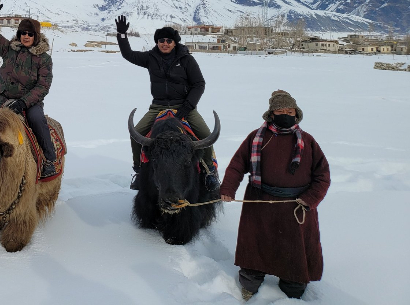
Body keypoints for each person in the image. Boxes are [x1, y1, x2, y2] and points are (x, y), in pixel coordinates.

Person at [220, 90, 330, 301]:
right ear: (271, 114)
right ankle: (249, 284)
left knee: (293, 254)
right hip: (259, 203)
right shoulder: (256, 138)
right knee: (255, 248)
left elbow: (323, 176)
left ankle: (292, 289)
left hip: (296, 208)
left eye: (290, 111)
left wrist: (309, 199)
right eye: (280, 110)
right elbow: (237, 165)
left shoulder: (308, 141)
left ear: (296, 114)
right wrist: (227, 189)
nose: (285, 114)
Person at [115, 16, 217, 190]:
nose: (165, 43)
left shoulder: (187, 60)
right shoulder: (150, 58)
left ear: (175, 42)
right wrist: (122, 35)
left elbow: (199, 84)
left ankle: (210, 172)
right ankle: (139, 170)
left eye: (169, 40)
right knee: (136, 133)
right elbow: (128, 55)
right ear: (157, 42)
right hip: (158, 107)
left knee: (206, 135)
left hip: (184, 106)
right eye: (161, 40)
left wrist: (187, 107)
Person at [0, 0, 57, 177]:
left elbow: (43, 86)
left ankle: (49, 160)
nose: (26, 36)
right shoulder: (9, 49)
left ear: (36, 35)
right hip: (4, 103)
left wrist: (23, 102)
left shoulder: (43, 59)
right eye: (23, 33)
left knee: (38, 121)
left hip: (29, 105)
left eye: (30, 33)